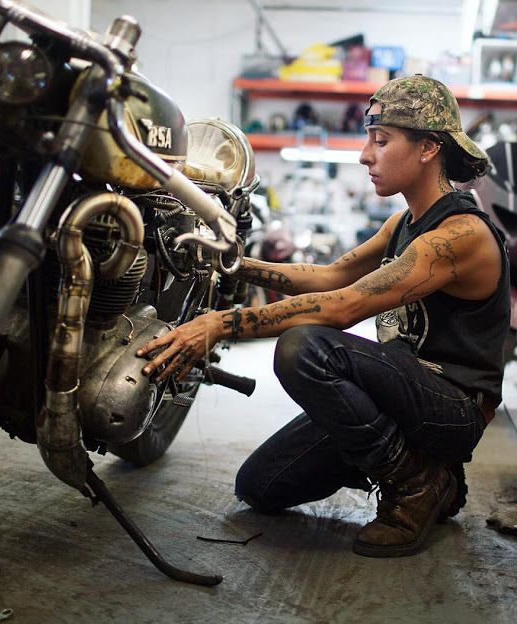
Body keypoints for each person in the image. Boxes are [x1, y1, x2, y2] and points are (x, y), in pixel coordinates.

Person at [136, 74, 510, 557]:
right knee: (260, 487)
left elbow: (344, 306)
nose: (364, 155)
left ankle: (415, 483)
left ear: (428, 149)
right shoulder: (404, 223)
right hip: (403, 396)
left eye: (381, 140)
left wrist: (221, 324)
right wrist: (229, 261)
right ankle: (428, 473)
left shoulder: (461, 234)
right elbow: (331, 276)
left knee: (305, 347)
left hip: (452, 410)